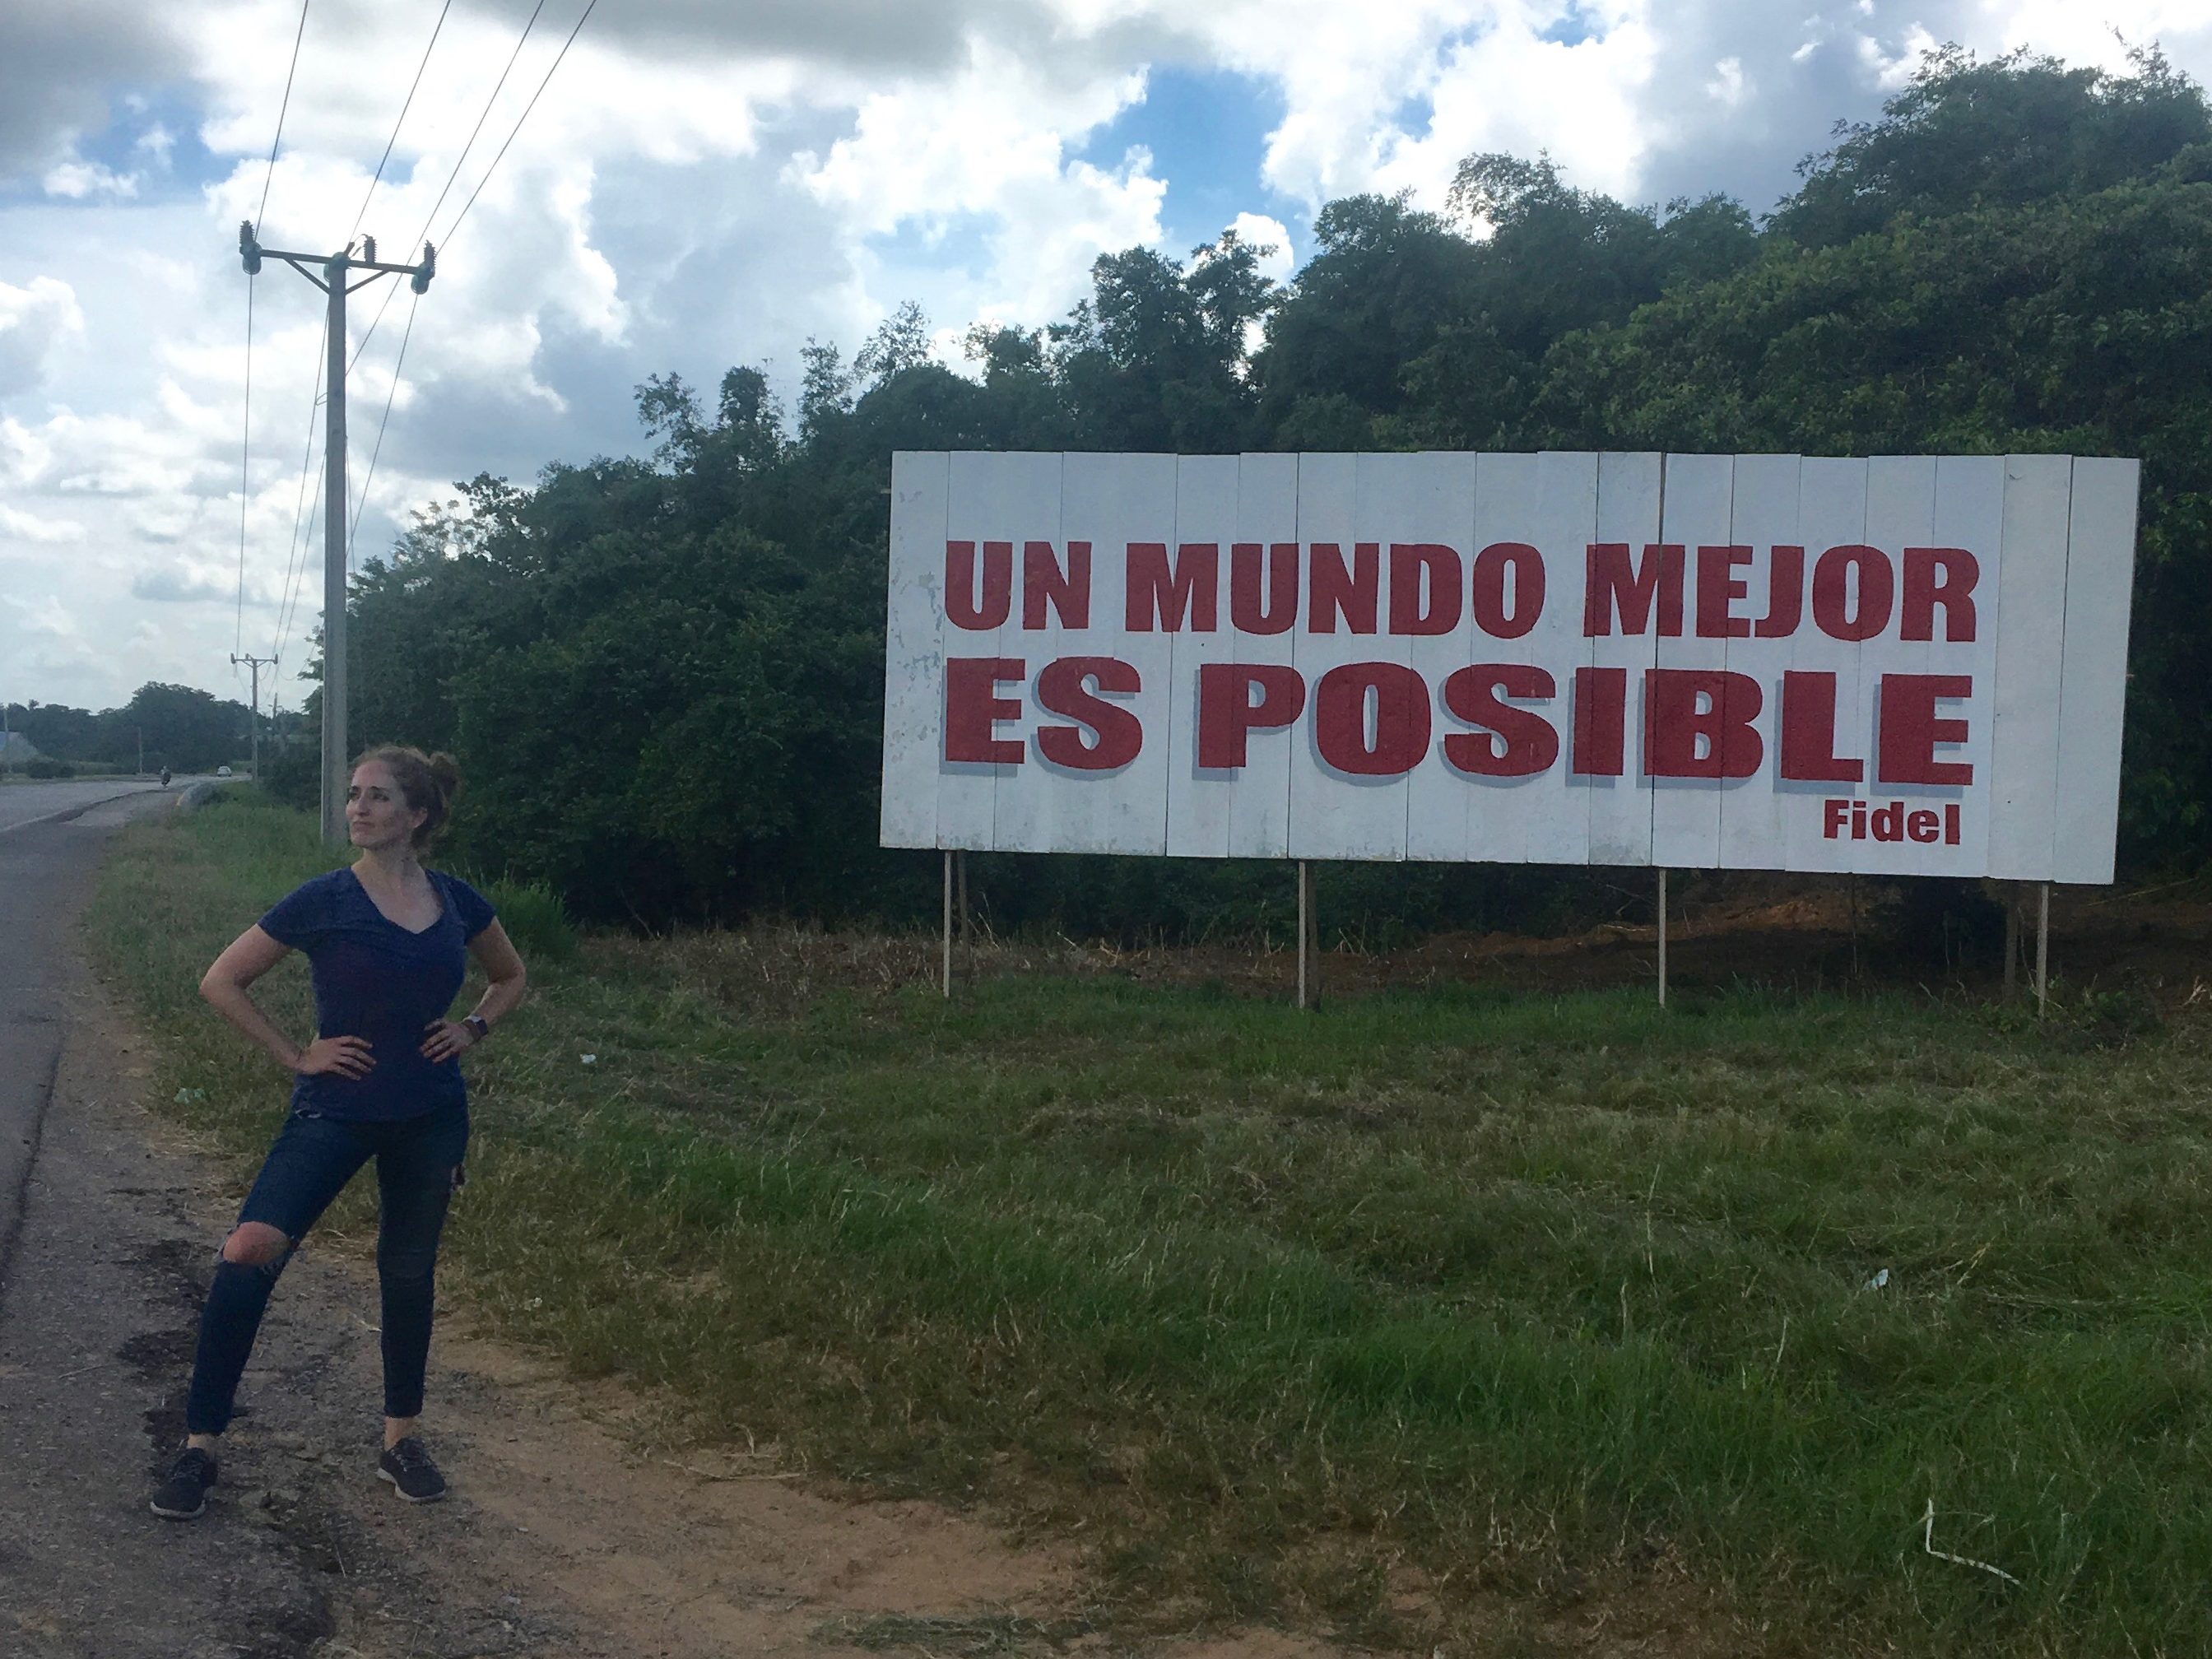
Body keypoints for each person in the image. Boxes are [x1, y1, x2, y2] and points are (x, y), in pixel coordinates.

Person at [150, 746, 526, 1520]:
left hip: (430, 1113)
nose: (357, 807)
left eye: (376, 797)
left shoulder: (456, 901)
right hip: (335, 1109)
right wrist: (296, 1052)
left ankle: (400, 1439)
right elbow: (221, 980)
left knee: (408, 1271)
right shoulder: (324, 899)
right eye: (353, 795)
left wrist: (474, 1028)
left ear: (416, 817)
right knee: (249, 1249)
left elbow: (510, 975)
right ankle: (199, 1449)